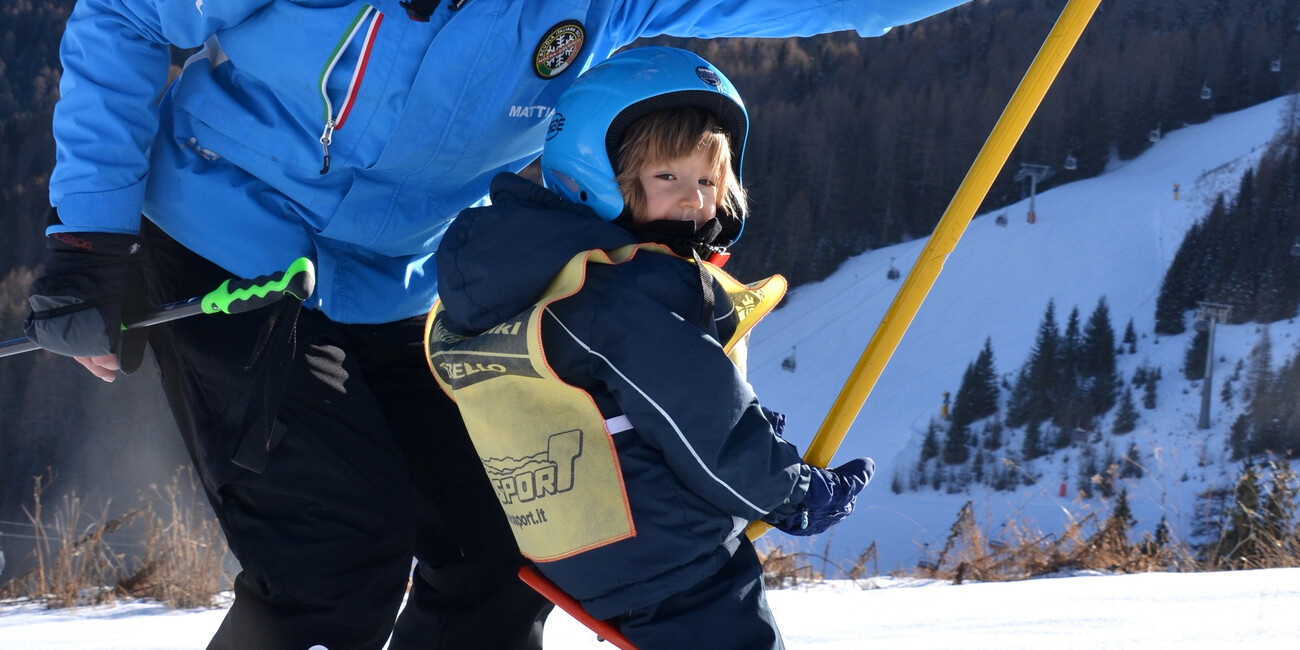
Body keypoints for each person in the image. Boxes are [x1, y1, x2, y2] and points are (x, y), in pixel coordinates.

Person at [23, 1, 964, 648]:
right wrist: (88, 242)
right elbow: (126, 16)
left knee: (504, 543)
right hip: (227, 247)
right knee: (339, 549)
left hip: (400, 278)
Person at [426, 47, 875, 649]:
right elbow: (699, 416)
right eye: (668, 177)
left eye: (709, 181)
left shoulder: (535, 277)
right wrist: (791, 492)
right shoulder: (629, 289)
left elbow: (626, 400)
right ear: (592, 174)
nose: (694, 200)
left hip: (572, 541)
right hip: (671, 557)